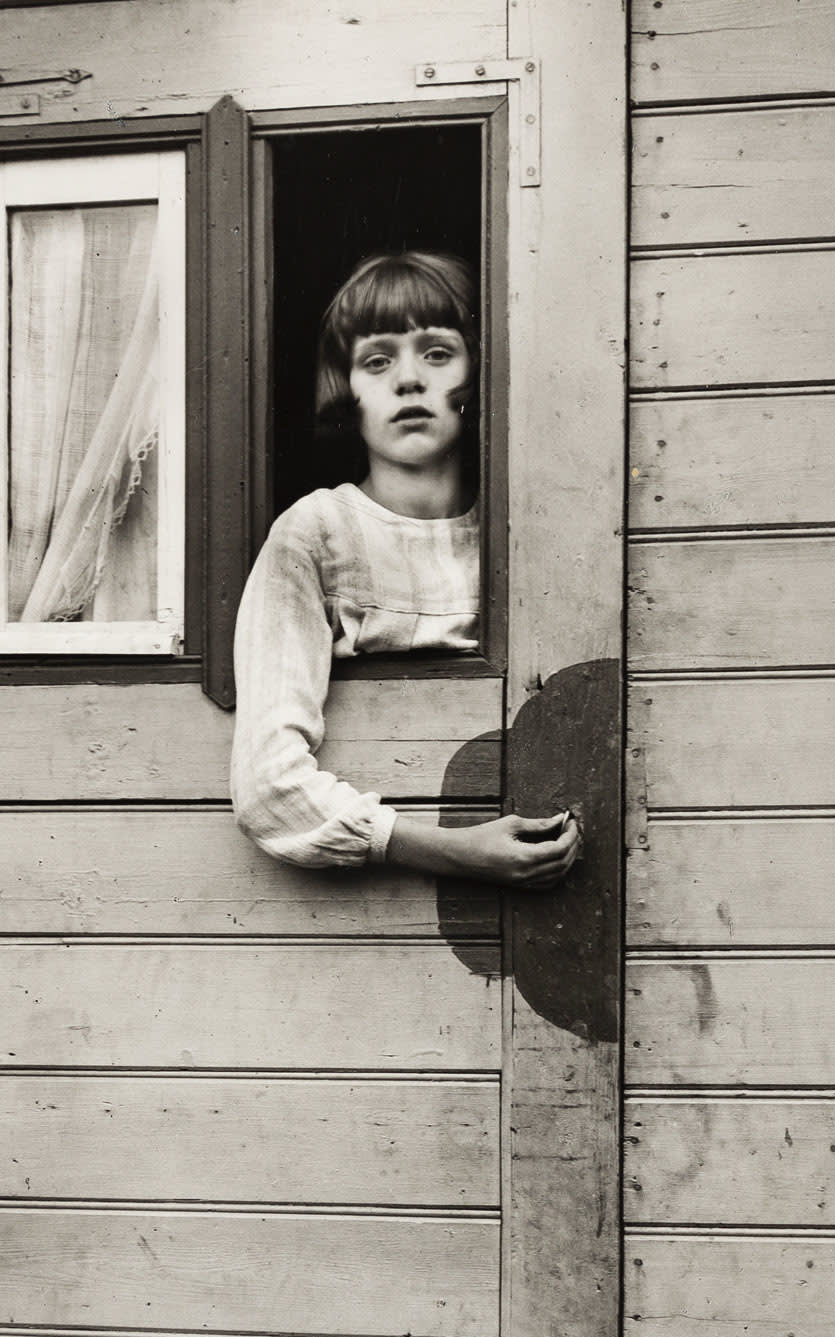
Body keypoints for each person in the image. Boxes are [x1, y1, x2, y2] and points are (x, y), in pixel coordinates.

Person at [231, 250, 580, 887]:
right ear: (347, 387)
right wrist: (452, 851)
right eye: (378, 359)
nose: (410, 380)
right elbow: (266, 784)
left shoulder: (534, 528)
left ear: (477, 374)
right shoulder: (315, 534)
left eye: (438, 352)